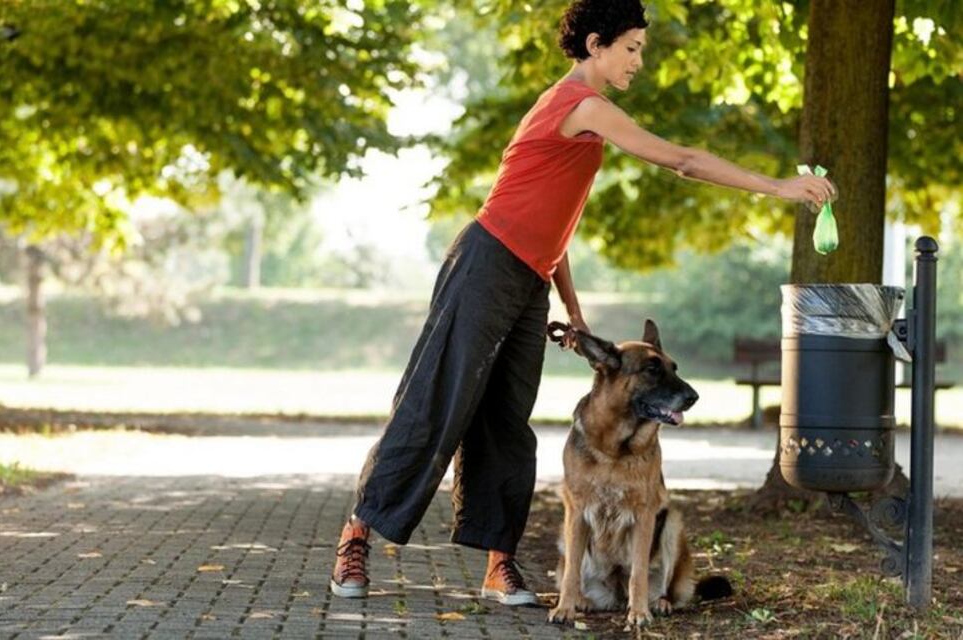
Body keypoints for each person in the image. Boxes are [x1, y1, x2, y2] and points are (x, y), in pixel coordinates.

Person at [331, 0, 836, 606]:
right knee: (436, 401)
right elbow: (682, 160)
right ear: (596, 45)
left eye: (640, 50)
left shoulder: (585, 116)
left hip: (527, 277)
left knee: (509, 421)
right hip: (485, 263)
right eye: (631, 48)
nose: (638, 61)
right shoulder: (581, 105)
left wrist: (570, 305)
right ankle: (355, 538)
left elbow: (555, 222)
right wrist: (780, 186)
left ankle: (499, 564)